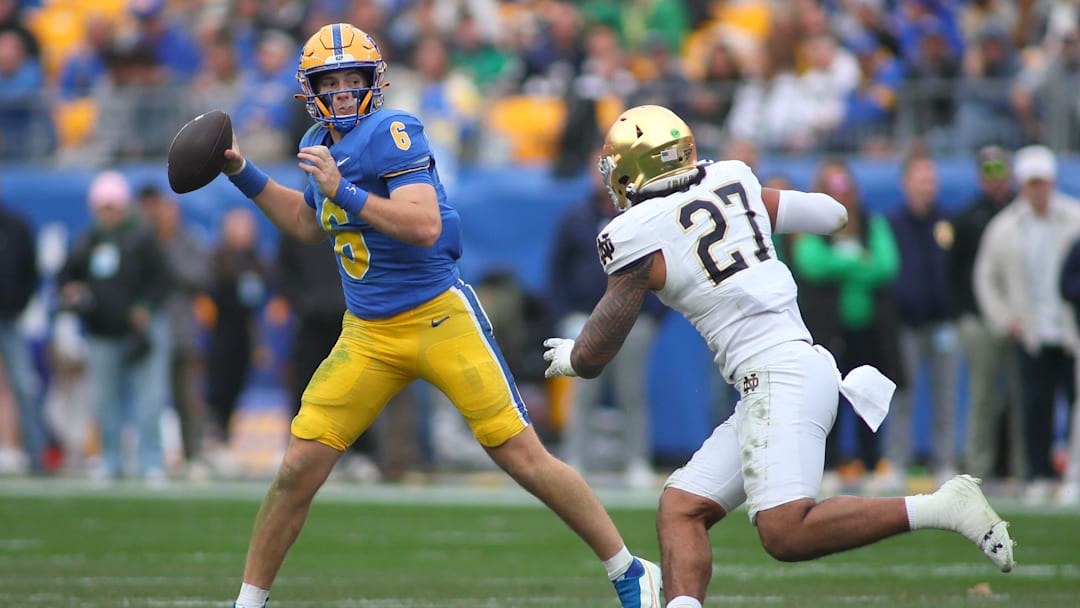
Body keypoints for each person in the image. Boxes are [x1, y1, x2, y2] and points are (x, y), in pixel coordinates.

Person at [219, 24, 661, 608]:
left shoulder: (392, 131)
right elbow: (306, 223)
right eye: (331, 80)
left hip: (437, 317)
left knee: (521, 455)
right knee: (298, 467)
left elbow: (424, 224)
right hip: (368, 333)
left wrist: (343, 189)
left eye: (353, 78)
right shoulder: (317, 139)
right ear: (311, 89)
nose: (344, 90)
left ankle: (630, 569)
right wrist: (242, 172)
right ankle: (248, 602)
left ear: (374, 81)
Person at [542, 104, 1015, 608]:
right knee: (681, 508)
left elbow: (597, 353)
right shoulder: (730, 180)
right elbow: (832, 214)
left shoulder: (636, 232)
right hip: (787, 370)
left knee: (785, 532)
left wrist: (572, 357)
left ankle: (941, 507)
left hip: (777, 376)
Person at [548, 164, 665, 488]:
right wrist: (565, 314)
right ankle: (575, 458)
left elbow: (665, 262)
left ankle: (636, 460)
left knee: (632, 391)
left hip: (633, 319)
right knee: (582, 391)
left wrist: (652, 315)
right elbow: (558, 271)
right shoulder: (576, 217)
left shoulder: (642, 216)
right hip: (585, 317)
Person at [975, 144, 1080, 502]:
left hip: (1071, 331)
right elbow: (986, 278)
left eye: (1043, 182)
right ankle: (1038, 474)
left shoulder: (1074, 217)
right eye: (1032, 183)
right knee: (1035, 406)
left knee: (1076, 403)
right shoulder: (1004, 227)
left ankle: (1074, 475)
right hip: (1032, 332)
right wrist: (1006, 320)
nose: (1038, 190)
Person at [56, 170, 172, 481]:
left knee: (150, 399)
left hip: (141, 331)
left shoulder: (143, 238)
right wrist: (72, 292)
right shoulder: (88, 240)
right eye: (102, 208)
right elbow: (66, 277)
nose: (108, 214)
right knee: (106, 401)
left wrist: (145, 307)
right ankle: (110, 458)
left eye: (112, 207)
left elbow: (162, 279)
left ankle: (151, 460)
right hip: (102, 331)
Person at [949, 146, 1024, 482]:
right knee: (983, 397)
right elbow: (955, 273)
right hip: (979, 320)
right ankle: (978, 468)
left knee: (1023, 398)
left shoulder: (1022, 214)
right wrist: (962, 317)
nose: (995, 178)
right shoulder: (967, 218)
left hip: (1021, 321)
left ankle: (1022, 468)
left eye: (1000, 169)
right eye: (988, 171)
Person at [0, 195, 47, 473]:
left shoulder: (15, 226)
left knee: (23, 385)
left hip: (9, 318)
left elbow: (31, 270)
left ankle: (36, 454)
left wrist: (18, 303)